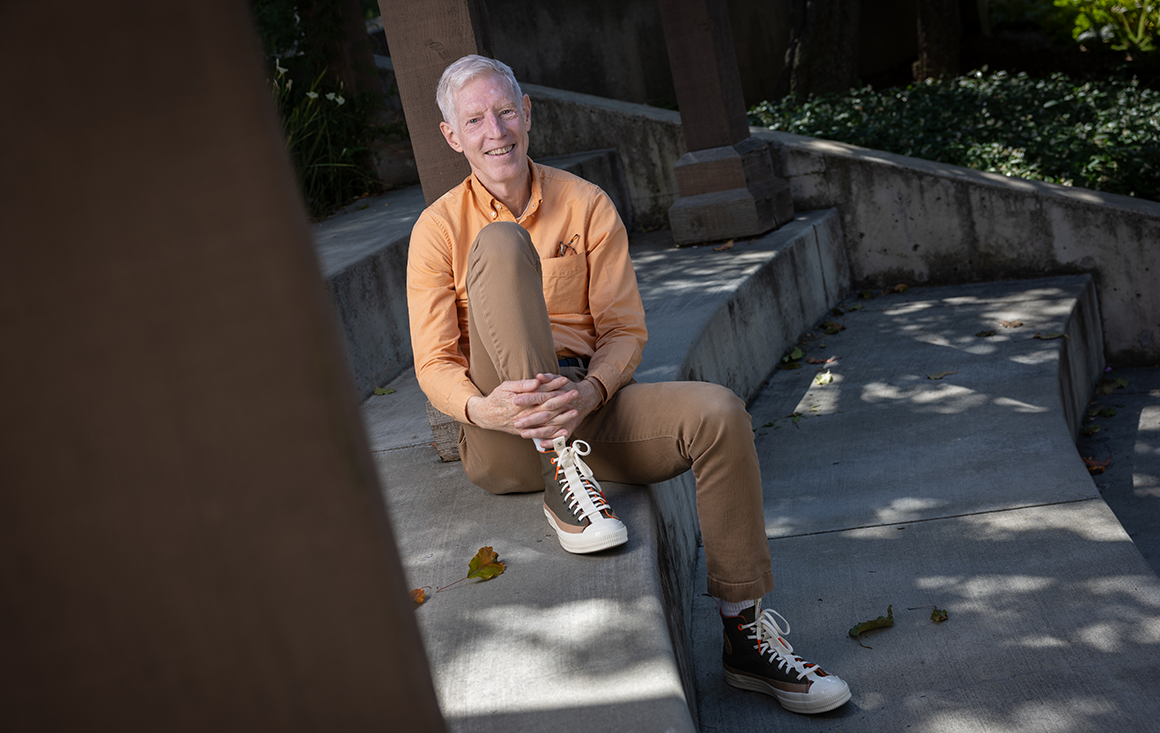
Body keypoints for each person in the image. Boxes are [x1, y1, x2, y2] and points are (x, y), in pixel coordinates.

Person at [406, 54, 850, 715]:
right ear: (452, 136)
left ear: (527, 113)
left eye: (504, 111)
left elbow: (624, 332)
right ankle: (560, 471)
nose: (494, 130)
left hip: (588, 405)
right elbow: (434, 362)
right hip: (504, 433)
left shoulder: (585, 204)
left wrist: (590, 392)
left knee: (718, 413)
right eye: (474, 119)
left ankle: (745, 636)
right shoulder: (439, 228)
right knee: (500, 243)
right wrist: (484, 407)